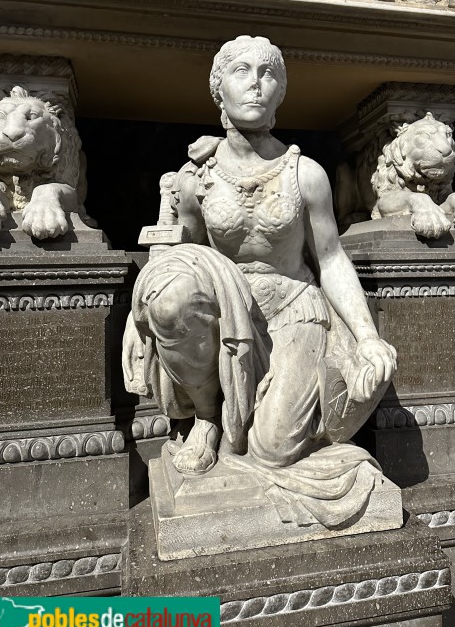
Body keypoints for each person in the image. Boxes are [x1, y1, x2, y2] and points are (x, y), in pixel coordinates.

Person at [123, 35, 397, 526]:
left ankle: (273, 448)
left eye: (268, 73)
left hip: (293, 310)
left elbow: (331, 258)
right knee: (170, 298)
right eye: (241, 71)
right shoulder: (195, 179)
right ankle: (208, 418)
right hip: (227, 314)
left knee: (273, 448)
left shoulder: (305, 174)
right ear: (218, 88)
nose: (255, 83)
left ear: (280, 92)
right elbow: (179, 259)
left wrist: (368, 336)